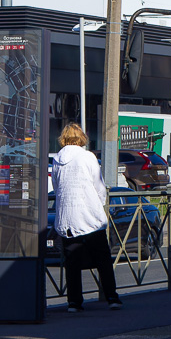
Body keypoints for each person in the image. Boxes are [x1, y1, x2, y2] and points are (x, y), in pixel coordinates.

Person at [52, 123, 122, 312]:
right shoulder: (88, 157)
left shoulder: (57, 159)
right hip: (90, 218)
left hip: (67, 219)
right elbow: (98, 185)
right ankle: (112, 297)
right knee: (103, 260)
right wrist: (99, 204)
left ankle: (74, 302)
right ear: (81, 138)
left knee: (71, 263)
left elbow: (56, 186)